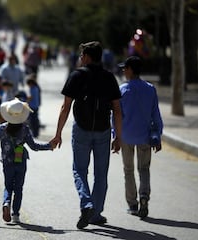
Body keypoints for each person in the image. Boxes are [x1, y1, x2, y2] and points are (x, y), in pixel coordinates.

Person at [50, 41, 122, 229]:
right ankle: (95, 213)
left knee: (79, 170)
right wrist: (119, 136)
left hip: (81, 129)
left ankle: (86, 203)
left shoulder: (77, 76)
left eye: (82, 55)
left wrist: (58, 134)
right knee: (101, 173)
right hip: (103, 130)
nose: (80, 58)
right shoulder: (109, 77)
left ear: (88, 57)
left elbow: (66, 107)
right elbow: (117, 110)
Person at [0, 98, 55, 223]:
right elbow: (34, 146)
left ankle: (6, 203)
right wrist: (49, 146)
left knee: (8, 186)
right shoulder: (25, 129)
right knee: (18, 188)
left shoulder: (2, 128)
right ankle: (16, 214)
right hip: (20, 161)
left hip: (7, 162)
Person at [117, 56, 163, 219]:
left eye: (125, 68)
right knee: (144, 169)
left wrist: (115, 135)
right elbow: (155, 114)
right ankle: (144, 196)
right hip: (144, 136)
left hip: (126, 136)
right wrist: (158, 135)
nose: (123, 71)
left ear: (130, 70)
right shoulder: (150, 89)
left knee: (128, 170)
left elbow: (116, 115)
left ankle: (133, 204)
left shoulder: (122, 90)